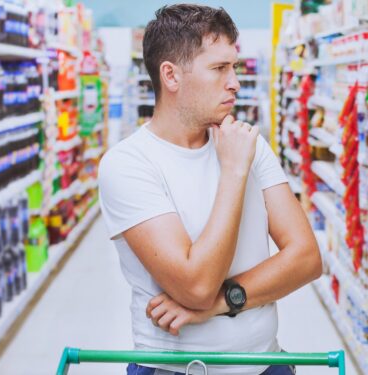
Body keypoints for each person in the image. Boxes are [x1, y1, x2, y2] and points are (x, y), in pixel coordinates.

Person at [98, 4, 322, 375]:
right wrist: (233, 172)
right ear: (170, 76)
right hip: (173, 370)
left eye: (234, 67)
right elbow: (196, 285)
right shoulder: (129, 164)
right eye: (219, 69)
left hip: (267, 363)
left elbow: (306, 258)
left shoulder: (249, 143)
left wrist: (222, 302)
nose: (234, 81)